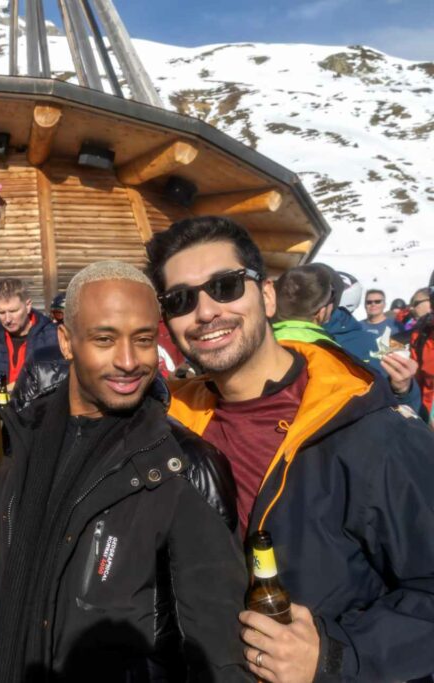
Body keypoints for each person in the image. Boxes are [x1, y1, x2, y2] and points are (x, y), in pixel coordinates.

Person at [147, 215, 434, 682]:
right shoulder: (168, 430)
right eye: (180, 299)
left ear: (267, 295)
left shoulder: (368, 429)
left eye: (225, 286)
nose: (204, 312)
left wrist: (336, 656)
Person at [0, 261, 250, 682]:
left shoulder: (183, 465)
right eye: (105, 339)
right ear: (67, 342)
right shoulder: (19, 441)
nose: (129, 361)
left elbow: (218, 650)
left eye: (143, 340)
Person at [273, 265, 421, 412]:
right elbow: (406, 412)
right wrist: (404, 391)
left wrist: (404, 389)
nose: (373, 305)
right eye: (370, 302)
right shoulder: (373, 342)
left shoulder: (264, 339)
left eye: (377, 301)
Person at [0, 278, 60, 388]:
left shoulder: (53, 337)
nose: (8, 319)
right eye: (1, 312)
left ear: (28, 305)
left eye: (13, 311)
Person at [409, 286, 433, 422]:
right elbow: (418, 380)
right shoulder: (420, 336)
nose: (412, 308)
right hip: (426, 416)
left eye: (416, 303)